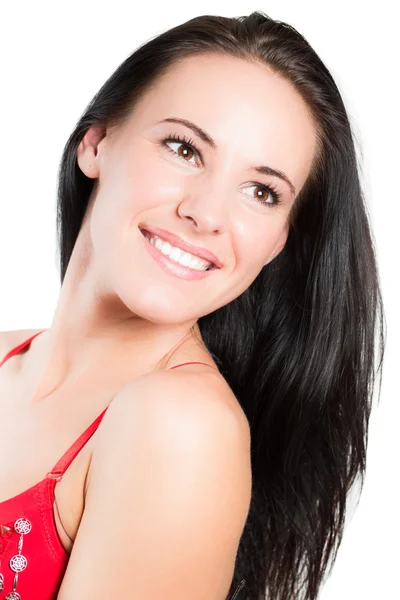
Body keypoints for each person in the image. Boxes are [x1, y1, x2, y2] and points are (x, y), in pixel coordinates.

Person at [0, 10, 385, 600]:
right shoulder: (5, 355)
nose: (206, 213)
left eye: (261, 192)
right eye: (184, 149)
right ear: (97, 142)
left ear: (280, 239)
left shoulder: (180, 427)